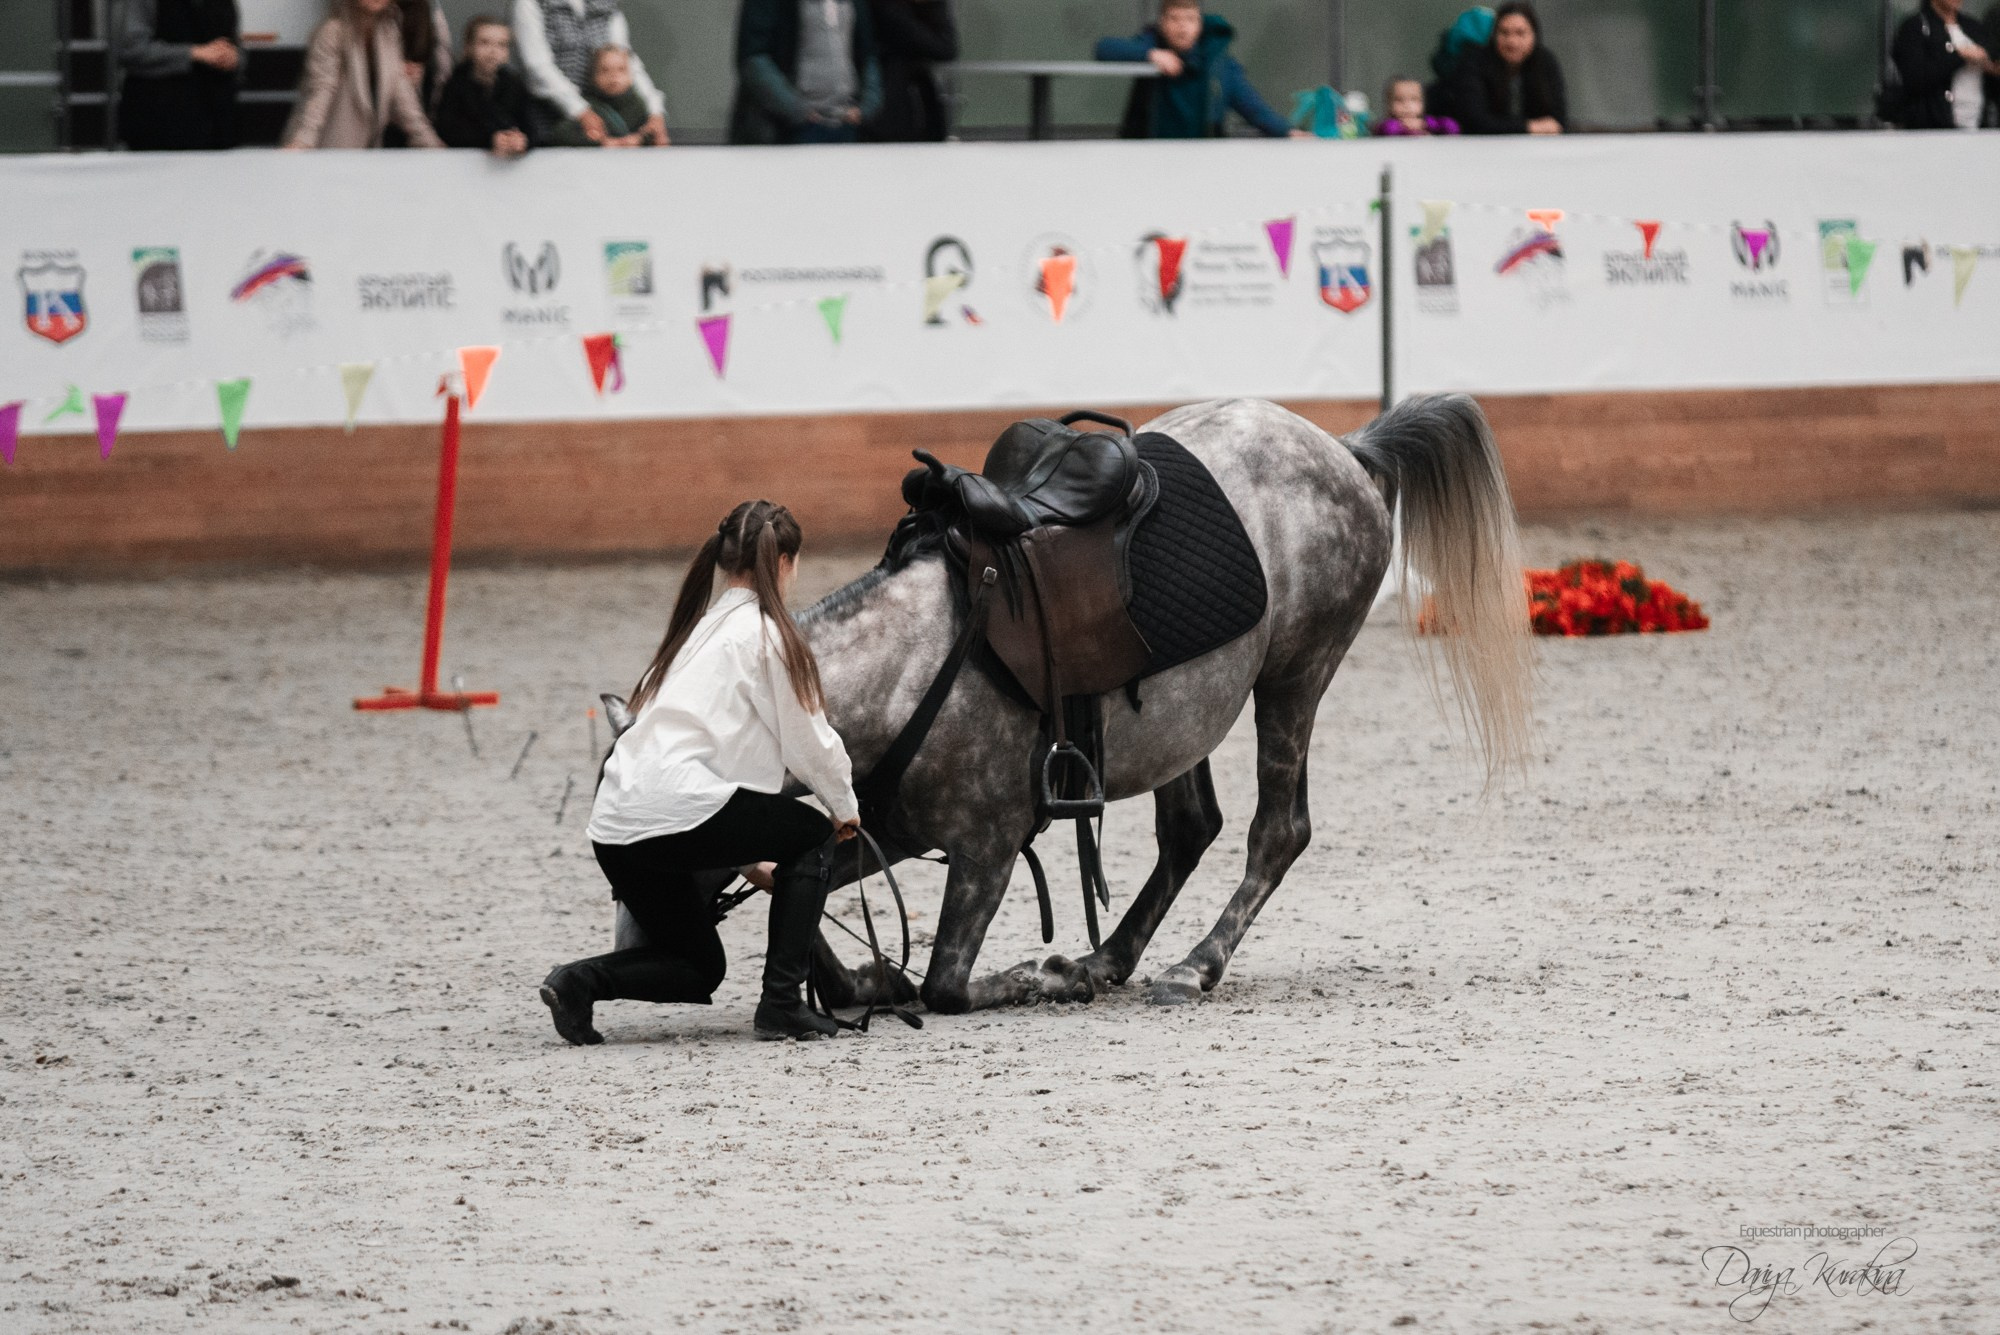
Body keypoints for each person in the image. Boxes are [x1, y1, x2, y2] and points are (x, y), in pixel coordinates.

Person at [541, 501, 861, 1044]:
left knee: (698, 967)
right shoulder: (770, 636)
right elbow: (811, 743)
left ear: (722, 561)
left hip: (616, 828)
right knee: (810, 836)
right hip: (678, 814)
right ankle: (782, 1003)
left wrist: (742, 855)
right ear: (784, 562)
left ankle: (576, 982)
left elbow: (690, 764)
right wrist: (845, 810)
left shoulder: (693, 632)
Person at [1094, 0, 1306, 140]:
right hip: (1149, 152)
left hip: (1204, 154)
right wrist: (1151, 55)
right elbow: (1104, 49)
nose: (1182, 27)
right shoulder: (1150, 45)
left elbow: (1251, 105)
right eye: (1174, 19)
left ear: (1200, 24)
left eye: (1189, 19)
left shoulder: (1218, 62)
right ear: (1162, 23)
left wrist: (1286, 132)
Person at [283, 0, 444, 148]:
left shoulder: (389, 32)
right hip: (327, 153)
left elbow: (404, 99)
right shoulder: (332, 32)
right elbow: (320, 96)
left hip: (364, 157)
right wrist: (300, 145)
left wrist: (434, 145)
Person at [511, 0, 668, 144]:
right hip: (548, 117)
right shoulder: (532, 3)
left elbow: (626, 61)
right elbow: (537, 66)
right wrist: (581, 110)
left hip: (602, 114)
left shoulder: (605, 6)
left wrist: (655, 112)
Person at [731, 0, 884, 144]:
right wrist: (796, 110)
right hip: (794, 126)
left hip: (847, 120)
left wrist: (866, 107)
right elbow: (754, 58)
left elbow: (867, 54)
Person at [115, 0, 241, 150]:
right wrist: (194, 53)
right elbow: (131, 49)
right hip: (159, 122)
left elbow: (234, 45)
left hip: (217, 121)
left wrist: (235, 58)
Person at [1446, 0, 1567, 135]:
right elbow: (1474, 121)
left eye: (1520, 33)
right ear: (1494, 35)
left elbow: (1558, 120)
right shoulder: (1474, 62)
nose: (1512, 42)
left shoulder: (1545, 61)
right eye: (1504, 32)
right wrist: (1529, 127)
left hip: (1536, 149)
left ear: (1534, 35)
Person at [434, 15, 534, 154]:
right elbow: (447, 130)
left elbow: (531, 127)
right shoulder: (456, 84)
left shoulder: (514, 84)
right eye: (484, 42)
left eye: (501, 45)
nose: (493, 51)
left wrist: (523, 140)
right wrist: (490, 139)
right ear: (468, 46)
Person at [1891, 0, 1996, 129]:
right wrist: (1959, 56)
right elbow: (1915, 78)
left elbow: (1989, 57)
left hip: (1977, 121)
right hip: (1935, 125)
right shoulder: (1916, 27)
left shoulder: (1973, 27)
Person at [864, 0, 957, 141]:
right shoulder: (886, 8)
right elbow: (936, 45)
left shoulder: (926, 8)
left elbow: (947, 48)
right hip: (885, 109)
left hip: (919, 106)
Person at [548, 45, 665, 145]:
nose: (614, 76)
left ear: (631, 76)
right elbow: (561, 133)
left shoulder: (639, 106)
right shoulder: (589, 108)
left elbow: (652, 133)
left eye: (621, 69)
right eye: (605, 70)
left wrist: (639, 139)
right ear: (593, 77)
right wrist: (600, 141)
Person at [381, 0, 453, 145]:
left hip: (422, 108)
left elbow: (442, 70)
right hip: (380, 116)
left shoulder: (430, 12)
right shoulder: (374, 11)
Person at [1373, 75, 1458, 136]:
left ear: (1422, 103)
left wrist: (1425, 124)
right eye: (1399, 100)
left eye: (1414, 99)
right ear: (1389, 104)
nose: (1407, 105)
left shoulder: (1428, 122)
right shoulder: (1385, 125)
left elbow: (1452, 127)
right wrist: (1402, 126)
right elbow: (1388, 130)